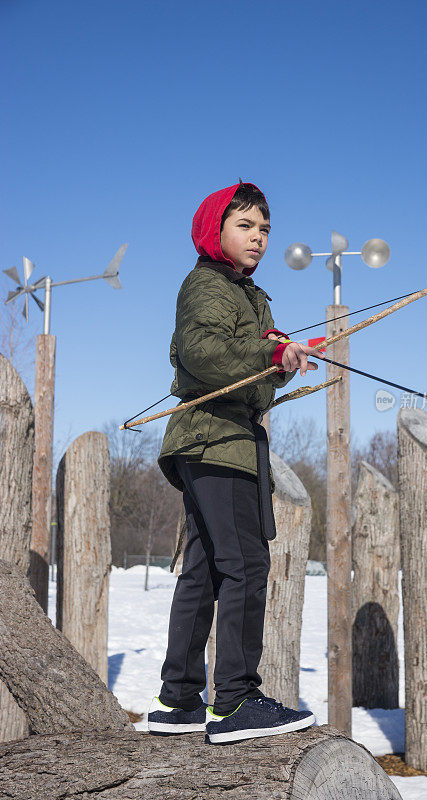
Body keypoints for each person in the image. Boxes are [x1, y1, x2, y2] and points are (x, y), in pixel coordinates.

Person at [147, 181, 323, 744]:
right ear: (214, 230)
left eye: (265, 228)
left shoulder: (251, 295)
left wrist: (278, 363)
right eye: (245, 225)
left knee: (202, 571)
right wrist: (267, 355)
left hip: (220, 443)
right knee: (245, 565)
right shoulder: (206, 284)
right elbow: (203, 353)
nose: (259, 238)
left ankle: (178, 700)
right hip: (216, 444)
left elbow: (248, 383)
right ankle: (237, 701)